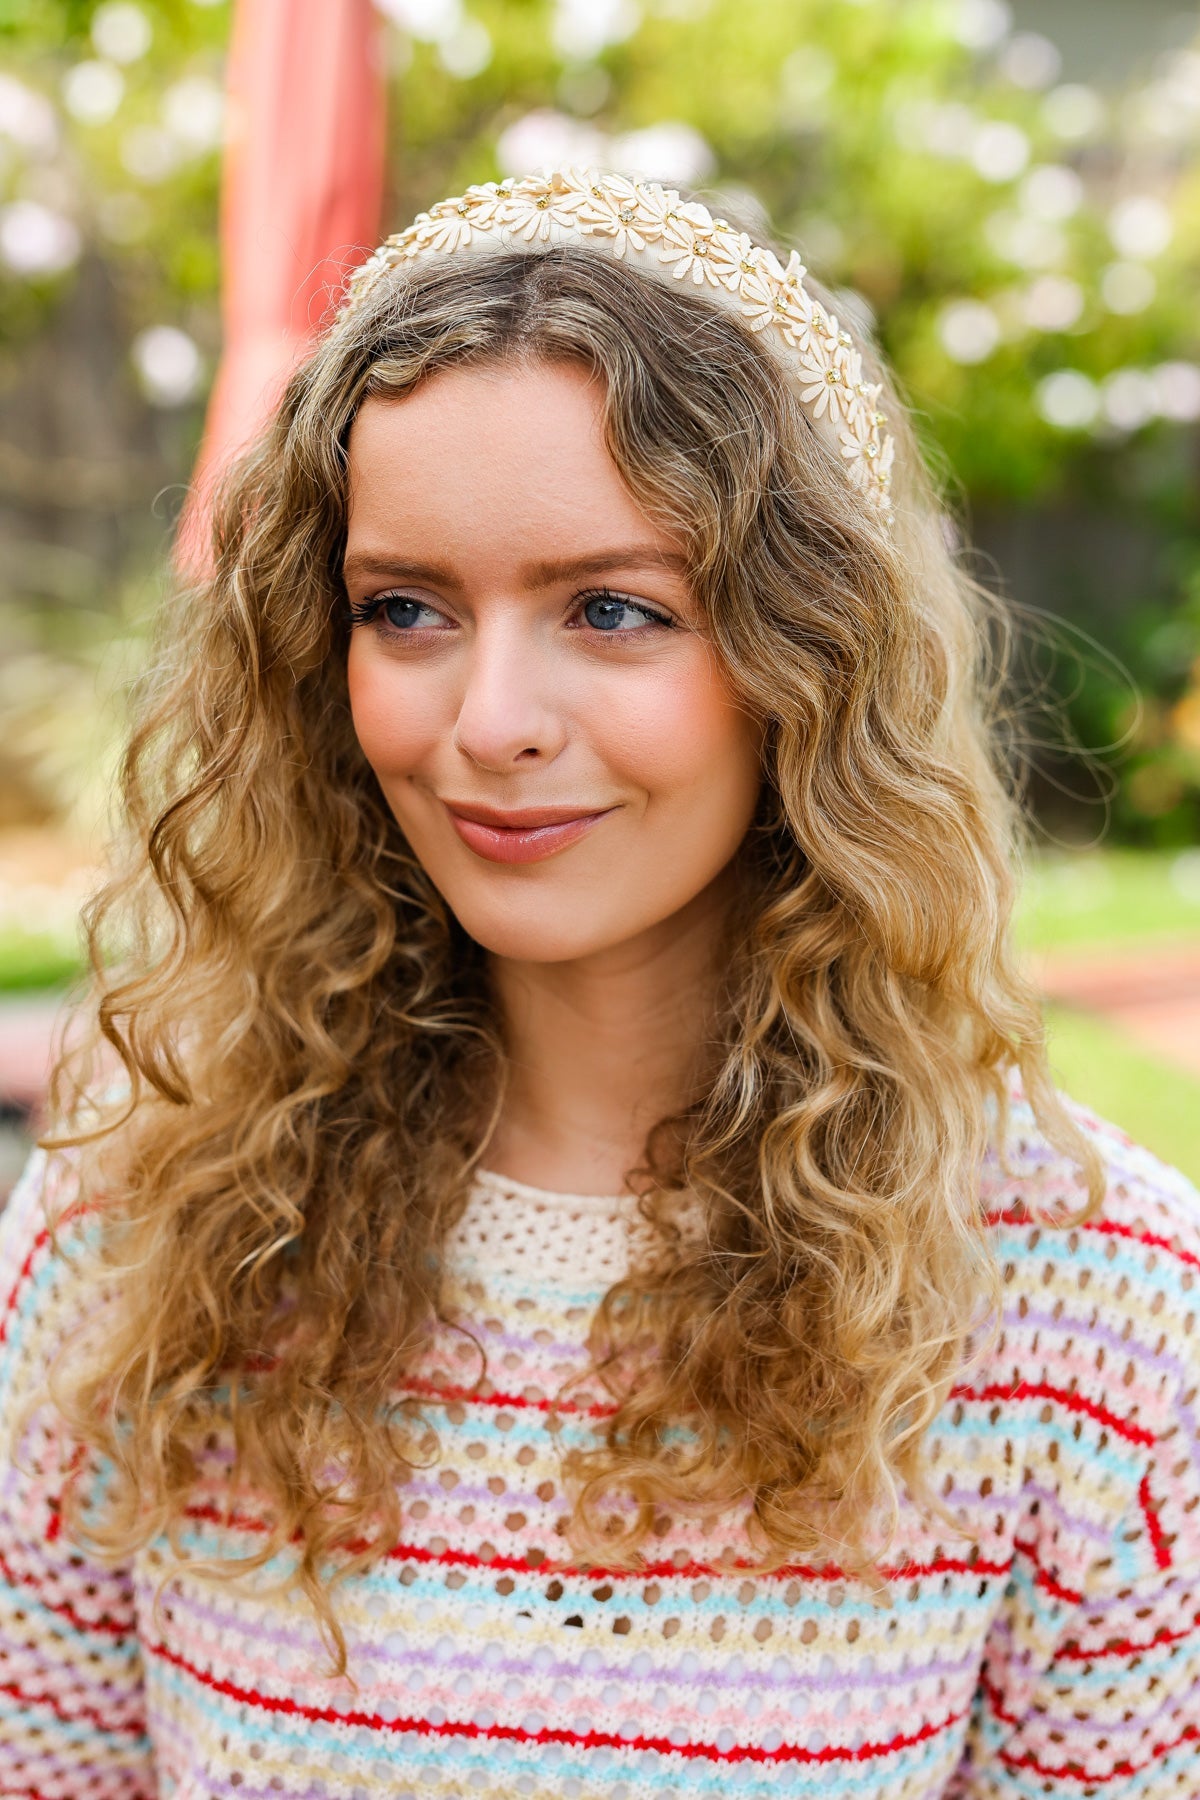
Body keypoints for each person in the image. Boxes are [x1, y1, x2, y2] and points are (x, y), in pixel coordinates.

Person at [1, 167, 1198, 1800]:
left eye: (614, 608)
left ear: (806, 654)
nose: (489, 717)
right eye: (404, 608)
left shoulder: (1096, 1311)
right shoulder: (129, 1233)